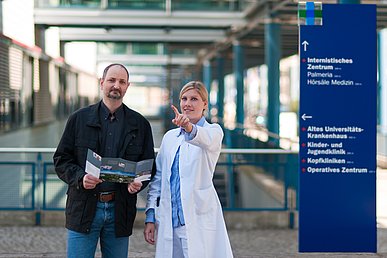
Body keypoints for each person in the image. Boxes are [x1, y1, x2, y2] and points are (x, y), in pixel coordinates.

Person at [53, 63, 155, 258]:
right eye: (111, 80)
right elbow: (61, 160)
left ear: (127, 86)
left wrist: (138, 183)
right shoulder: (78, 119)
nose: (116, 85)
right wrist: (80, 178)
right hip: (83, 207)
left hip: (120, 209)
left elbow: (148, 166)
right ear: (102, 83)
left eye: (122, 82)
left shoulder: (140, 124)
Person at [143, 81, 233, 258]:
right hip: (169, 220)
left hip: (197, 220)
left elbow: (203, 138)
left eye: (194, 99)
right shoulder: (170, 137)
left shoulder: (214, 131)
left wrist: (189, 127)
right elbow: (158, 179)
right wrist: (150, 215)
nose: (187, 103)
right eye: (184, 98)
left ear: (205, 104)